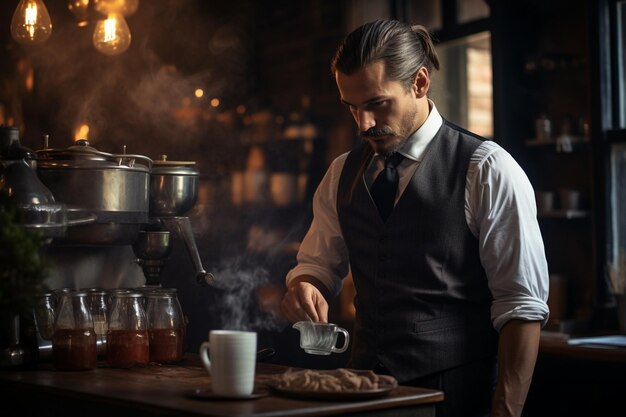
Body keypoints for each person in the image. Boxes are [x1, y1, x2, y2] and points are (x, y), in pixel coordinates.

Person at [280, 19, 549, 417]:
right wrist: (305, 286)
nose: (363, 124)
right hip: (362, 395)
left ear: (420, 83)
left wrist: (505, 413)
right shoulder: (341, 173)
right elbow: (317, 265)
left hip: (455, 398)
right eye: (352, 107)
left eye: (376, 103)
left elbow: (522, 309)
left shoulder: (487, 168)